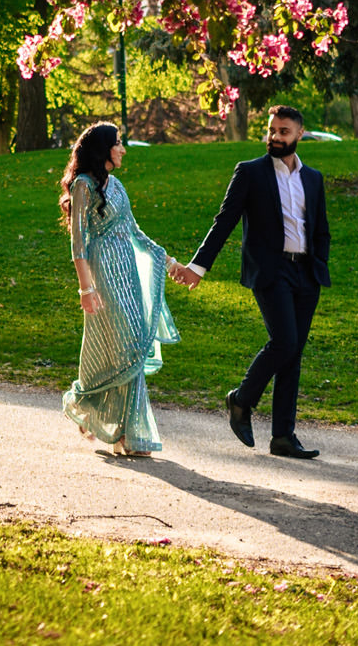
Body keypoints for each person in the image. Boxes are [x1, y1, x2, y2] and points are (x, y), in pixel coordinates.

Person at [170, 104, 331, 460]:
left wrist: (319, 262)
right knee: (284, 341)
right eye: (272, 130)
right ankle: (241, 400)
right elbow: (224, 221)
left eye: (283, 132)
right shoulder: (250, 172)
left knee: (294, 353)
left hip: (307, 273)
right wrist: (199, 266)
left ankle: (283, 436)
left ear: (299, 134)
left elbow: (320, 228)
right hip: (270, 272)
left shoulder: (313, 178)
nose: (275, 137)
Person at [60, 121, 182, 458]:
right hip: (102, 275)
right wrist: (86, 288)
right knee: (124, 347)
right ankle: (120, 429)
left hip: (126, 272)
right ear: (103, 150)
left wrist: (170, 263)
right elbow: (78, 244)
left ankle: (112, 424)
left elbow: (136, 233)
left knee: (131, 348)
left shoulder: (117, 186)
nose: (123, 148)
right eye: (118, 143)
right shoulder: (83, 186)